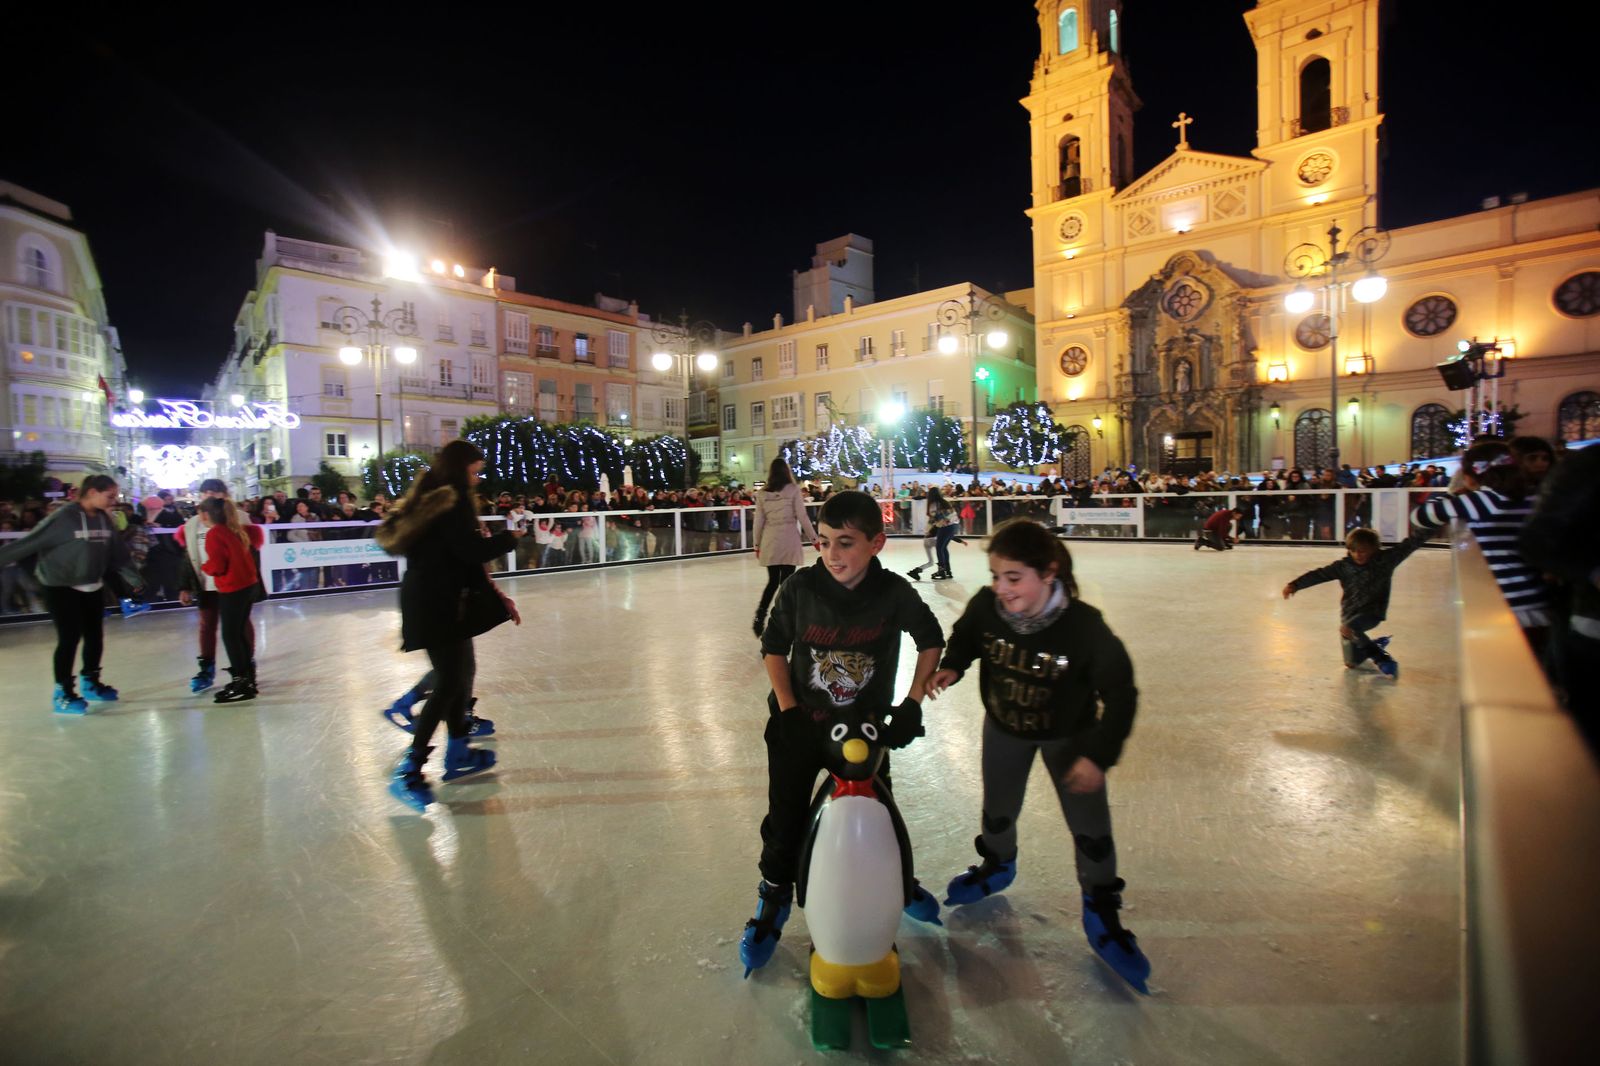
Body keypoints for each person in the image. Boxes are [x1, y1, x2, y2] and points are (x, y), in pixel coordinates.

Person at [925, 519, 1149, 991]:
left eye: (1013, 578)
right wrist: (952, 666)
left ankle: (1100, 908)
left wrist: (1098, 755)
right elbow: (967, 635)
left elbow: (1122, 693)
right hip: (1005, 729)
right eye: (994, 576)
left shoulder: (1084, 627)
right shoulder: (988, 607)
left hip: (1071, 739)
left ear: (1048, 573)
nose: (1001, 589)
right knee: (998, 811)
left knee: (1090, 832)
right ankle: (998, 863)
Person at [739, 490, 945, 973]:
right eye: (825, 542)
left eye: (846, 543)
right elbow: (773, 649)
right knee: (786, 819)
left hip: (865, 730)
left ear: (877, 543)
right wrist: (788, 712)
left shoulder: (893, 592)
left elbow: (931, 639)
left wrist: (912, 704)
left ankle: (896, 883)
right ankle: (774, 894)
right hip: (801, 726)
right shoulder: (801, 589)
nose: (832, 555)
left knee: (876, 814)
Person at [374, 440, 523, 811]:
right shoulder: (450, 503)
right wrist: (510, 538)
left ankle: (458, 753)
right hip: (434, 603)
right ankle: (410, 769)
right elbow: (470, 553)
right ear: (460, 469)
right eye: (474, 472)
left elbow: (464, 560)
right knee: (448, 684)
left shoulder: (438, 500)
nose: (477, 479)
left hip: (442, 600)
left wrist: (496, 595)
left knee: (460, 676)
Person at [0, 474, 148, 714]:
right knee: (69, 639)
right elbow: (28, 543)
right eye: (109, 496)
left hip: (91, 585)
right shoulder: (64, 518)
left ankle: (91, 681)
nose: (113, 502)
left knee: (95, 637)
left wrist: (135, 580)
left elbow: (118, 554)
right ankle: (63, 692)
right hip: (60, 586)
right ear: (92, 492)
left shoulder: (104, 519)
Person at [1411, 439, 1551, 655]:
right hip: (1540, 603)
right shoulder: (1534, 498)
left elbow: (1420, 517)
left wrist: (1456, 493)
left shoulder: (1482, 501)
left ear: (1469, 477)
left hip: (1508, 607)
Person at [1282, 526, 1430, 679]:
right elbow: (1320, 575)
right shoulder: (1343, 566)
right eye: (1353, 550)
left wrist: (1431, 524)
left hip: (1372, 612)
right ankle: (1374, 645)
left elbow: (1410, 544)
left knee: (1348, 628)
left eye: (1363, 551)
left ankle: (1384, 659)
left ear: (1374, 549)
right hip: (1349, 613)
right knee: (1351, 663)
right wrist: (1295, 585)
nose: (1357, 555)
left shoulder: (1385, 561)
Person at [175, 478, 242, 693]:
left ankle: (244, 666)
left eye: (215, 493)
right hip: (206, 584)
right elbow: (189, 556)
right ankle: (206, 668)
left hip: (233, 584)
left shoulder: (239, 519)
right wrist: (185, 585)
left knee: (238, 627)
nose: (211, 497)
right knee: (206, 625)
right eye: (207, 493)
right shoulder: (193, 524)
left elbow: (249, 553)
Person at [198, 497, 265, 703]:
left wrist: (205, 567)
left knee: (230, 635)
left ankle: (241, 680)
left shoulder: (215, 533)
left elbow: (217, 566)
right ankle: (247, 677)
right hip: (247, 586)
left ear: (205, 515)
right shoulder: (234, 530)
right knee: (238, 632)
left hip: (233, 588)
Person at [750, 457, 817, 637]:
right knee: (787, 583)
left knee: (772, 582)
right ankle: (785, 621)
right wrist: (814, 539)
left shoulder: (763, 493)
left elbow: (758, 522)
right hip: (788, 538)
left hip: (771, 539)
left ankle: (759, 617)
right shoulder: (793, 490)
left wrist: (757, 544)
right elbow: (802, 517)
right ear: (787, 471)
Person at [908, 486, 961, 580]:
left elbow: (933, 519)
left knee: (939, 548)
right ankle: (947, 571)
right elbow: (952, 515)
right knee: (943, 548)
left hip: (945, 527)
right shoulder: (944, 502)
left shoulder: (933, 504)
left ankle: (941, 571)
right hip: (953, 526)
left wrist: (927, 531)